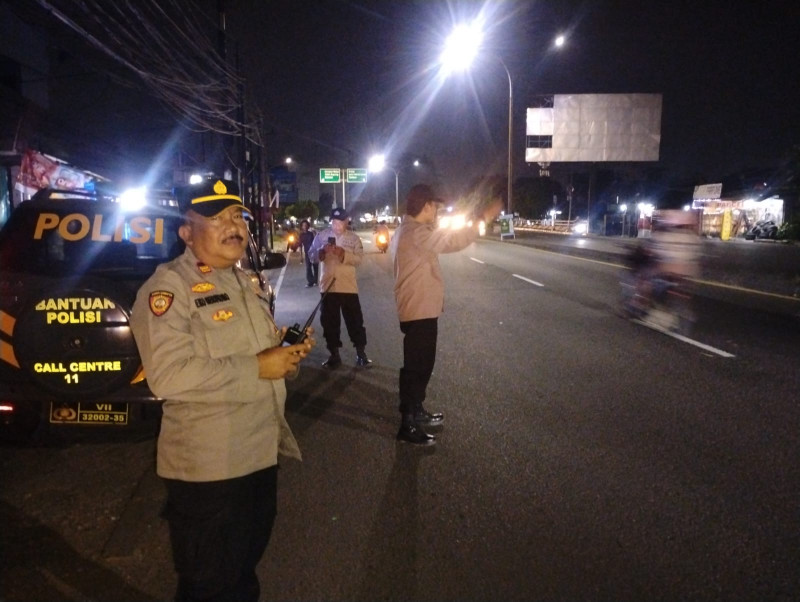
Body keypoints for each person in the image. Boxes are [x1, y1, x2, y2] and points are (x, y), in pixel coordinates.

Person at [130, 178, 315, 602]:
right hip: (210, 472)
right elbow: (169, 375)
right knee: (210, 585)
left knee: (241, 575)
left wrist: (282, 352)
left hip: (257, 456)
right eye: (215, 217)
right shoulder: (167, 289)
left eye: (237, 215)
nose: (233, 225)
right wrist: (257, 366)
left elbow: (248, 355)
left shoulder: (242, 281)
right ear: (186, 233)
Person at [390, 184, 502, 445]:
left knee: (421, 364)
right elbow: (453, 241)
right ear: (426, 205)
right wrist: (482, 219)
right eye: (436, 207)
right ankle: (407, 423)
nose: (437, 212)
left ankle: (416, 410)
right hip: (418, 310)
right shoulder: (415, 232)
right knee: (416, 367)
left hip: (420, 308)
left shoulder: (409, 230)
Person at [307, 207, 371, 368]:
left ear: (346, 221)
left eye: (340, 222)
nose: (336, 225)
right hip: (328, 286)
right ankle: (334, 355)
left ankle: (361, 353)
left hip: (348, 287)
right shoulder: (322, 236)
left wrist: (343, 253)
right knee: (329, 322)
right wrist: (321, 252)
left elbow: (359, 259)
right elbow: (311, 255)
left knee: (355, 321)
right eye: (334, 222)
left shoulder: (353, 238)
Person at [298, 219, 318, 287]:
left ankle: (315, 281)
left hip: (314, 252)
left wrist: (314, 232)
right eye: (303, 225)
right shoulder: (301, 235)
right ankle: (310, 282)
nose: (305, 226)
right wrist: (301, 256)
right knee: (308, 268)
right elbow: (300, 245)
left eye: (306, 225)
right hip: (307, 253)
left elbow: (316, 240)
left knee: (315, 267)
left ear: (308, 226)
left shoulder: (311, 233)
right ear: (301, 226)